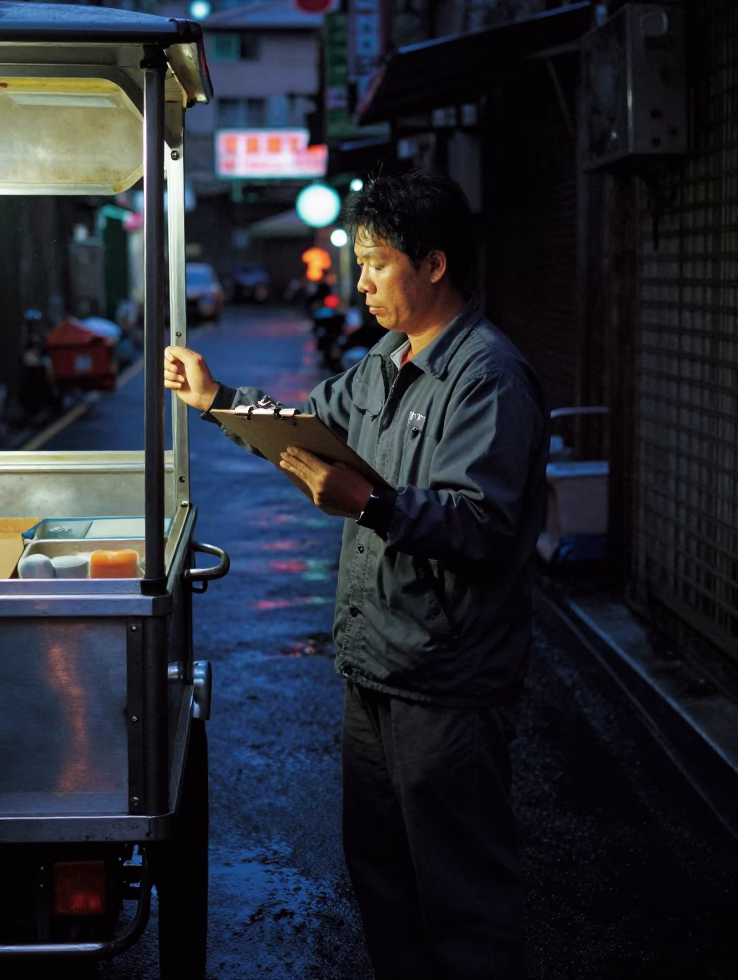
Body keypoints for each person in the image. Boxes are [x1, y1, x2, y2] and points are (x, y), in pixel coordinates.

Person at [164, 170, 550, 980]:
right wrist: (216, 399)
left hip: (447, 683)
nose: (361, 278)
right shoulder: (380, 362)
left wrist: (369, 503)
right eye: (362, 260)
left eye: (377, 262)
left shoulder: (487, 376)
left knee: (464, 894)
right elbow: (302, 428)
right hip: (372, 667)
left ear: (434, 265)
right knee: (382, 880)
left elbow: (483, 525)